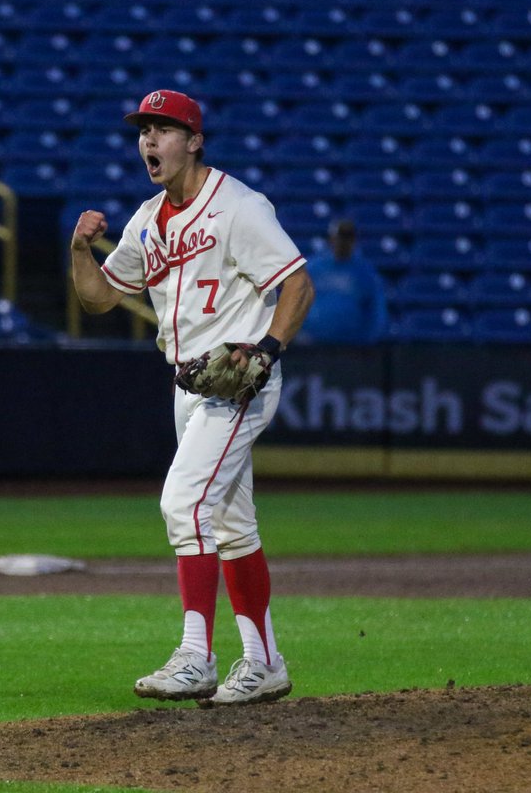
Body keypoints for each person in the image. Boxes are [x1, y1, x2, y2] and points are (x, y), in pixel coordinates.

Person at [70, 90, 315, 705]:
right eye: (143, 131)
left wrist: (268, 348)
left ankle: (196, 655)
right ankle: (264, 662)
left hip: (238, 382)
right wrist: (79, 250)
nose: (150, 141)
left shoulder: (238, 206)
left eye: (164, 129)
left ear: (195, 139)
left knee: (183, 503)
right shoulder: (148, 219)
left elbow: (297, 285)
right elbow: (99, 297)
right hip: (190, 387)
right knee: (232, 525)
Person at [299, 218, 390, 344]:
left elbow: (377, 308)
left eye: (348, 237)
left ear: (354, 240)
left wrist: (370, 339)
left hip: (352, 346)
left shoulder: (365, 272)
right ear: (331, 239)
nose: (343, 242)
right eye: (340, 237)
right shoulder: (313, 268)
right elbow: (296, 299)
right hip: (313, 343)